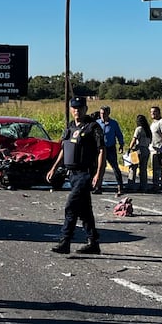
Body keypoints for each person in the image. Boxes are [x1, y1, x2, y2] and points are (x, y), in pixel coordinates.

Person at [46, 97, 105, 255]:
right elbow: (65, 148)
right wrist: (54, 167)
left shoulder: (93, 127)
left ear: (85, 109)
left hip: (85, 173)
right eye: (74, 108)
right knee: (84, 210)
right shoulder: (71, 126)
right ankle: (93, 243)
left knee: (71, 206)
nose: (76, 111)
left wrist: (99, 174)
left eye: (80, 108)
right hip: (72, 174)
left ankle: (65, 241)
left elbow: (101, 150)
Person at [96, 105, 124, 196]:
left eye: (104, 113)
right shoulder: (97, 123)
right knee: (100, 168)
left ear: (108, 113)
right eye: (101, 113)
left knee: (115, 167)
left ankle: (120, 187)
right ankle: (98, 187)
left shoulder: (113, 123)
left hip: (110, 148)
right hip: (100, 149)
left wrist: (121, 144)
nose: (102, 115)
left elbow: (119, 134)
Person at [127, 114, 151, 192]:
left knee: (133, 168)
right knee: (143, 169)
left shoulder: (139, 129)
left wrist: (129, 148)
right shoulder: (148, 130)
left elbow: (134, 140)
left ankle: (131, 186)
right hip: (146, 150)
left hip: (137, 150)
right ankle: (143, 186)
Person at [149, 106, 162, 192]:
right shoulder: (153, 123)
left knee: (156, 168)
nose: (153, 113)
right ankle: (160, 183)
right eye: (151, 112)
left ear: (159, 112)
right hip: (153, 148)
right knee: (157, 168)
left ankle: (156, 185)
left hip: (159, 148)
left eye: (155, 112)